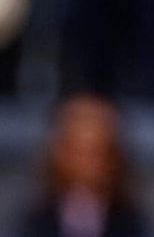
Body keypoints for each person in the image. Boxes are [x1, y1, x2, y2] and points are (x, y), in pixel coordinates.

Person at [19, 93, 146, 237]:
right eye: (77, 151)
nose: (86, 164)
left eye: (96, 151)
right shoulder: (35, 219)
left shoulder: (131, 222)